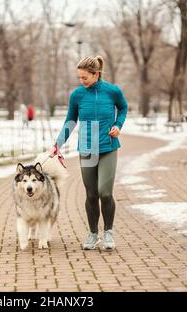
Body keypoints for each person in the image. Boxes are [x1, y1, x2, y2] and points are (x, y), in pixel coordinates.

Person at [50, 55, 128, 251]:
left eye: (85, 77)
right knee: (91, 194)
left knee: (105, 192)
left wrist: (118, 125)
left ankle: (108, 232)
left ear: (96, 74)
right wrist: (58, 144)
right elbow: (70, 120)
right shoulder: (77, 95)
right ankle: (93, 234)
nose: (81, 81)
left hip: (108, 146)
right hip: (87, 149)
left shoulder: (112, 91)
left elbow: (124, 107)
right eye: (79, 77)